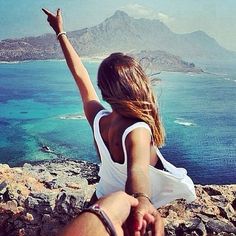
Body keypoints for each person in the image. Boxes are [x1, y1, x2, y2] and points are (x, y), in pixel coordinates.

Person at [42, 8, 196, 235]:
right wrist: (141, 199)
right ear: (137, 85)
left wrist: (60, 32)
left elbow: (80, 75)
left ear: (104, 92)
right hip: (123, 209)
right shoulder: (137, 129)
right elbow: (138, 171)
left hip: (100, 198)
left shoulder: (98, 118)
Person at [59, 191, 164, 236]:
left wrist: (141, 197)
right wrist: (107, 214)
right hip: (104, 198)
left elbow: (137, 168)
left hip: (107, 199)